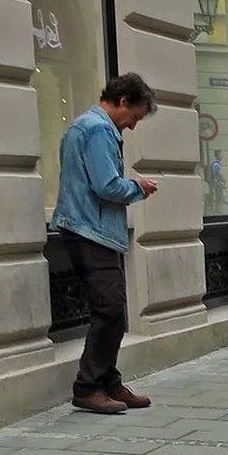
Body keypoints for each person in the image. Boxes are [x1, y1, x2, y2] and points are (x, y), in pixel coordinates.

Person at [51, 73, 159, 415]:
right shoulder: (98, 129)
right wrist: (138, 187)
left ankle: (109, 382)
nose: (133, 126)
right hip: (90, 230)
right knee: (109, 309)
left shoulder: (85, 126)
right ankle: (88, 387)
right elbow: (107, 186)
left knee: (112, 309)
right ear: (122, 101)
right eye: (134, 116)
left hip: (88, 228)